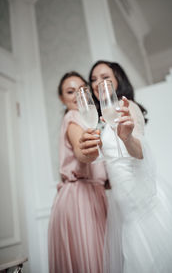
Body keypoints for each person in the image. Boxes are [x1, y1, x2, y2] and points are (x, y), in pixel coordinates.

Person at [79, 60, 172, 273]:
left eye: (105, 78)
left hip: (144, 204)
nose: (98, 83)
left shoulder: (128, 108)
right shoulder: (101, 121)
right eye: (93, 80)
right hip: (124, 209)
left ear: (118, 81)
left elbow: (140, 152)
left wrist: (127, 139)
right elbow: (102, 160)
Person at [48, 71, 108, 273]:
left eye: (82, 89)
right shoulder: (73, 116)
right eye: (70, 91)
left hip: (93, 195)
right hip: (80, 199)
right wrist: (87, 151)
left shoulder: (90, 118)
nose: (76, 95)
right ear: (61, 98)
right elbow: (81, 151)